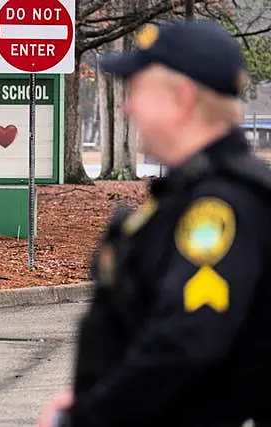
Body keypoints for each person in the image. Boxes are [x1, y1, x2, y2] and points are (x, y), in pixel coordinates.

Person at [38, 19, 271, 427]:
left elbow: (187, 342)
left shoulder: (220, 205)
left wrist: (91, 416)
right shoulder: (190, 194)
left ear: (181, 97)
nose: (128, 106)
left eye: (138, 90)